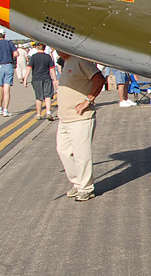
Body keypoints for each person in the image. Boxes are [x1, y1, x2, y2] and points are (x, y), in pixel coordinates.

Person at [55, 51, 107, 201]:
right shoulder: (65, 62)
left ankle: (86, 188)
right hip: (64, 118)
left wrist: (87, 101)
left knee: (81, 154)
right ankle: (77, 183)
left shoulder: (80, 61)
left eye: (58, 47)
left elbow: (99, 79)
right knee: (63, 151)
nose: (57, 51)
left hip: (80, 117)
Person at [25, 43, 59, 120]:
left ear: (37, 47)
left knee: (39, 97)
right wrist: (55, 79)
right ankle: (48, 112)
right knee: (48, 96)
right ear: (44, 47)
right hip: (46, 77)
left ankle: (39, 114)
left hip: (36, 78)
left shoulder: (33, 57)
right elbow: (52, 69)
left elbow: (29, 68)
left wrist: (25, 79)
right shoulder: (48, 57)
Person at [0, 30, 18, 116]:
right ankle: (6, 109)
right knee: (7, 89)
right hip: (8, 65)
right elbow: (16, 53)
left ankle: (0, 108)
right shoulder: (9, 43)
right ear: (4, 35)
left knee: (0, 88)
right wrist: (10, 55)